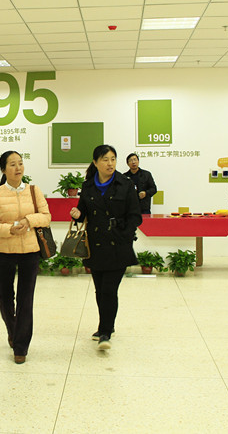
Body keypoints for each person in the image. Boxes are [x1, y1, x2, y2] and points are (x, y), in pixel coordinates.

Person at [70, 145, 142, 351]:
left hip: (118, 245)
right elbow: (83, 212)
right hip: (95, 245)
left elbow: (135, 216)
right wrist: (77, 214)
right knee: (100, 290)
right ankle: (106, 325)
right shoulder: (88, 186)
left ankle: (105, 332)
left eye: (113, 159)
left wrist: (124, 236)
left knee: (110, 290)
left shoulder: (125, 184)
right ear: (95, 163)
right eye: (105, 159)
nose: (110, 163)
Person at [0, 151, 51, 365]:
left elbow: (46, 217)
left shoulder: (33, 190)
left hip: (30, 251)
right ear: (4, 169)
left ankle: (21, 346)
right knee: (5, 297)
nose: (18, 168)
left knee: (25, 298)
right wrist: (9, 230)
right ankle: (13, 330)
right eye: (12, 164)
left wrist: (29, 221)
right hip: (4, 251)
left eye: (20, 163)